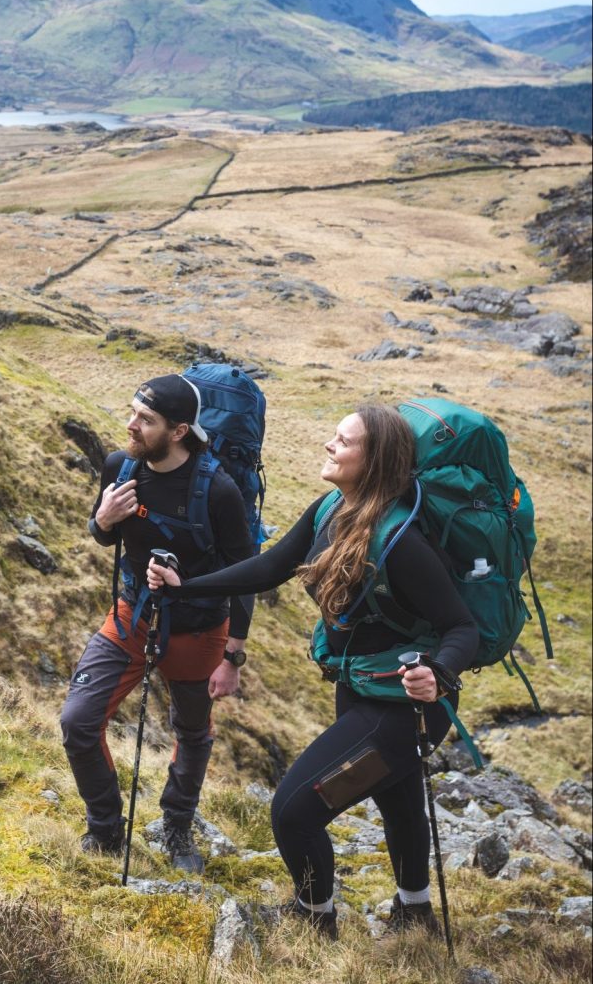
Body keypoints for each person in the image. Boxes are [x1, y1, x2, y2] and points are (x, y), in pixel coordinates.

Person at [147, 403, 478, 936]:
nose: (329, 445)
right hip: (360, 687)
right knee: (397, 797)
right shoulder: (331, 509)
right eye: (334, 433)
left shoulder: (401, 543)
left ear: (375, 461)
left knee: (295, 812)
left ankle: (313, 918)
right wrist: (190, 585)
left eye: (343, 441)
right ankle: (415, 915)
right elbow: (271, 566)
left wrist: (439, 672)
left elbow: (462, 627)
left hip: (407, 708)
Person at [61, 373, 255, 873]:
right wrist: (101, 521)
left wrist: (233, 655)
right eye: (132, 412)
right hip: (131, 617)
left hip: (197, 630)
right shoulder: (118, 467)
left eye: (145, 420)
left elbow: (244, 575)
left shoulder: (220, 492)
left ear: (179, 431)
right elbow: (106, 538)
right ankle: (104, 829)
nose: (131, 426)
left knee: (192, 732)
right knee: (78, 723)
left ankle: (176, 824)